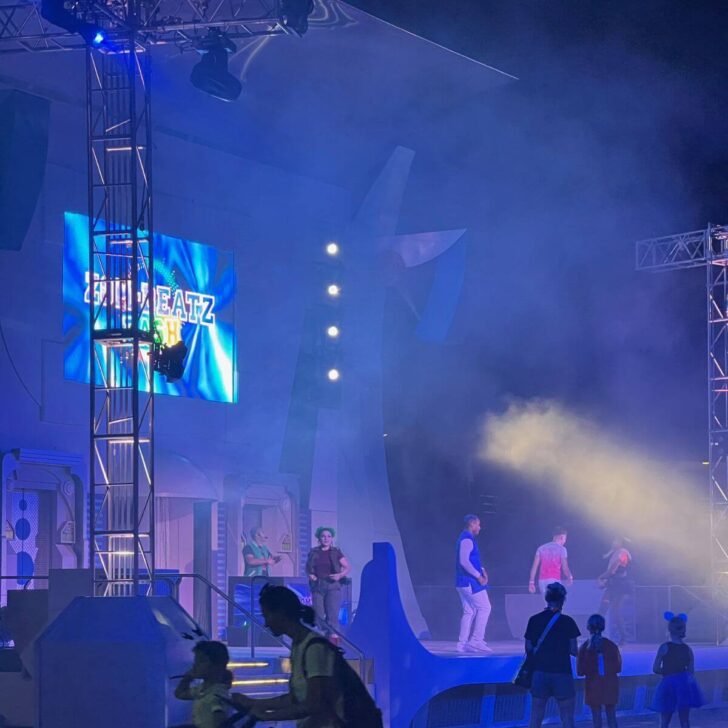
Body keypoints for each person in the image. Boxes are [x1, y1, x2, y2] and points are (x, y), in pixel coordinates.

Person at [231, 584, 382, 728]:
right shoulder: (299, 647)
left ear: (281, 614)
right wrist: (256, 704)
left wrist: (267, 716)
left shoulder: (314, 649)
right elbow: (296, 698)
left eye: (267, 616)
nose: (266, 623)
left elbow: (314, 704)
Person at [524, 581, 581, 728]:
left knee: (536, 716)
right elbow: (574, 650)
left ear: (546, 598)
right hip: (562, 673)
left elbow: (528, 648)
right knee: (567, 717)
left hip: (539, 673)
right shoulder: (568, 622)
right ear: (563, 600)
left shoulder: (534, 620)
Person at [651, 612, 704, 728]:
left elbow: (655, 669)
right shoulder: (687, 649)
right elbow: (691, 671)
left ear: (670, 630)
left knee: (665, 720)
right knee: (684, 720)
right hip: (684, 685)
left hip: (668, 684)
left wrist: (668, 671)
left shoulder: (664, 647)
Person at [455, 514, 492, 653]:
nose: (480, 527)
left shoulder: (465, 538)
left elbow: (471, 559)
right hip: (469, 581)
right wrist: (478, 576)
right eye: (478, 524)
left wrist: (482, 570)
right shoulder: (467, 539)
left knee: (469, 611)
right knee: (485, 607)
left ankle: (462, 644)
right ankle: (476, 640)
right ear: (472, 524)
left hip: (463, 582)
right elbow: (464, 561)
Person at [174, 640, 233, 728]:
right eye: (196, 661)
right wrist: (187, 679)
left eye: (201, 661)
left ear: (217, 666)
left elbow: (219, 722)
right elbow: (180, 694)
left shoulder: (218, 694)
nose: (195, 665)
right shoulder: (201, 689)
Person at [577, 613, 622, 728]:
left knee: (596, 718)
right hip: (610, 683)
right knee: (611, 716)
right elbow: (618, 667)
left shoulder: (584, 647)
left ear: (588, 627)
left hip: (593, 685)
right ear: (603, 627)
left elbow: (580, 671)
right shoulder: (611, 646)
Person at [306, 527, 351, 633]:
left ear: (332, 539)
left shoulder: (336, 552)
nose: (326, 539)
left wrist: (340, 575)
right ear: (319, 538)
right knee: (318, 617)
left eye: (328, 536)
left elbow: (347, 567)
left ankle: (333, 645)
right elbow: (308, 568)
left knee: (332, 618)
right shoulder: (314, 552)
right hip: (318, 586)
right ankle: (319, 644)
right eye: (323, 536)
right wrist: (310, 575)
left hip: (332, 587)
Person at [598, 537, 633, 645]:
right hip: (613, 585)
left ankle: (624, 638)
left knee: (615, 610)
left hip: (620, 586)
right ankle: (596, 634)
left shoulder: (623, 552)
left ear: (620, 542)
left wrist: (602, 577)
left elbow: (614, 569)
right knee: (604, 609)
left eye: (615, 540)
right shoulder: (615, 553)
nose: (613, 542)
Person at [529, 527, 574, 594]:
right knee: (557, 603)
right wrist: (569, 577)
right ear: (561, 537)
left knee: (548, 603)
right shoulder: (562, 549)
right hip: (554, 580)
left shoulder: (541, 548)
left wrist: (531, 582)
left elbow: (535, 567)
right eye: (565, 539)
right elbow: (565, 567)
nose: (565, 541)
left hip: (542, 581)